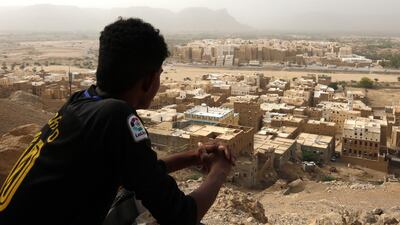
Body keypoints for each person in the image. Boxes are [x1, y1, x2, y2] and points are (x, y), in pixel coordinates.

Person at [0, 18, 234, 225]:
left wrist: (194, 157)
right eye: (160, 73)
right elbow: (181, 216)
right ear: (150, 79)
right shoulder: (116, 116)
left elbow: (139, 174)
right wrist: (220, 169)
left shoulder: (81, 102)